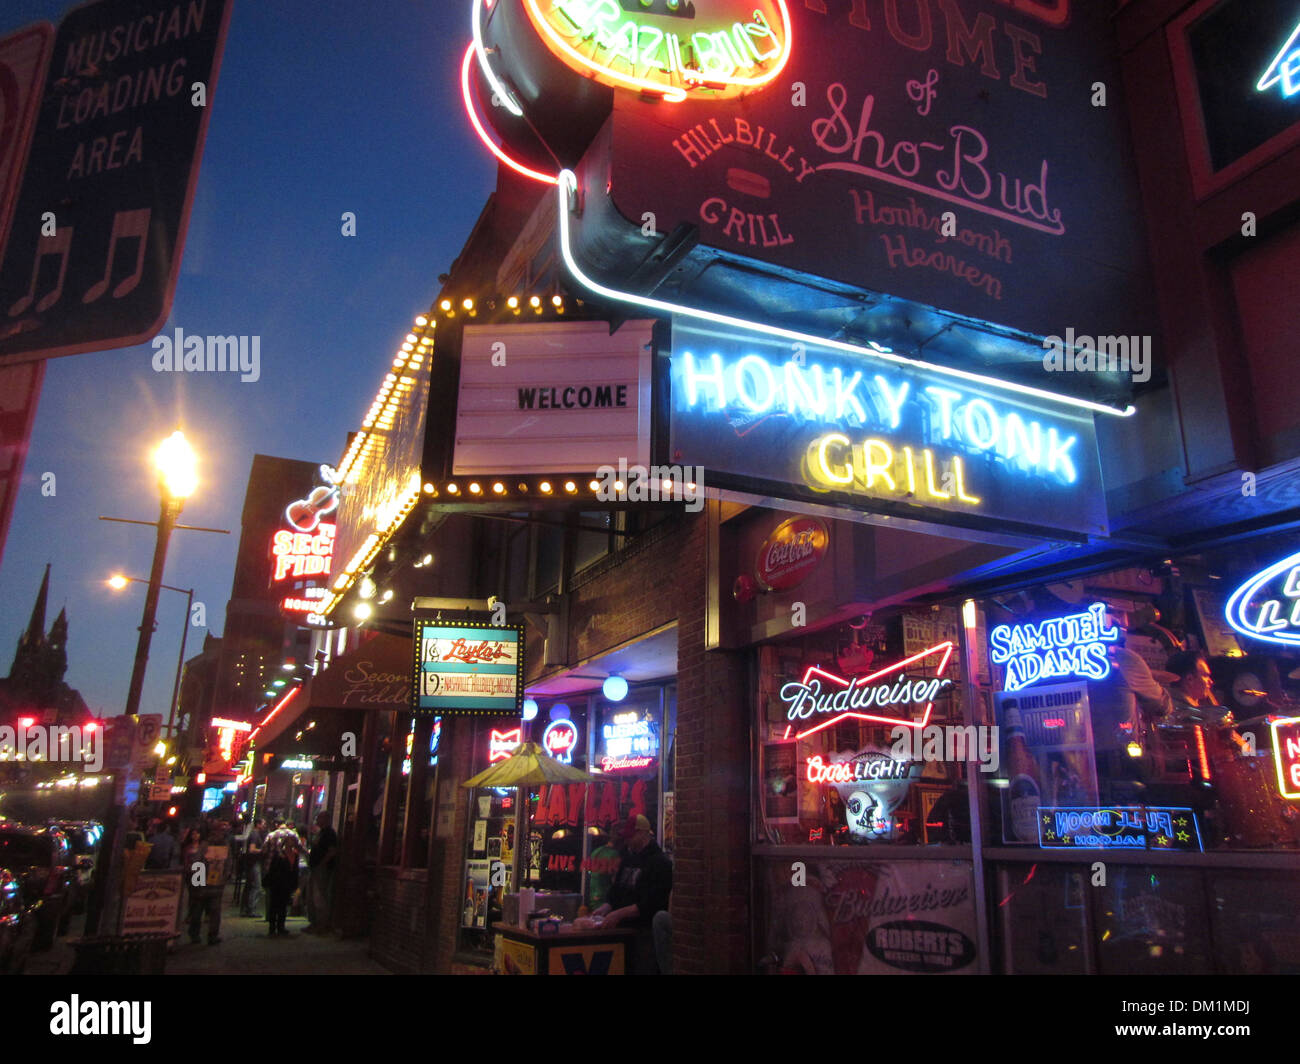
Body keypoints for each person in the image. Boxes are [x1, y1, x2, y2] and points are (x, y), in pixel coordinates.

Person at [597, 814, 672, 974]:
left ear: (642, 834)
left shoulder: (660, 863)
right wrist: (607, 905)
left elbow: (653, 903)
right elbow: (617, 888)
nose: (627, 841)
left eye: (630, 836)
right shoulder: (628, 858)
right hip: (622, 932)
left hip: (644, 934)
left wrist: (619, 914)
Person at [186, 821, 232, 946]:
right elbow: (198, 863)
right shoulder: (209, 846)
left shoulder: (217, 845)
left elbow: (228, 863)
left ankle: (205, 935)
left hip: (211, 884)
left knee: (207, 911)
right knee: (205, 911)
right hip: (208, 884)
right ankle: (203, 935)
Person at [262, 820, 302, 937]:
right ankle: (273, 926)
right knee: (277, 904)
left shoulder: (271, 835)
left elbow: (264, 850)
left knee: (279, 904)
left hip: (282, 880)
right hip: (278, 881)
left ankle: (278, 925)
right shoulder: (282, 855)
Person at [305, 811, 338, 934]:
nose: (317, 820)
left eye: (320, 818)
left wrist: (321, 864)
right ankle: (314, 923)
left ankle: (321, 924)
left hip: (321, 869)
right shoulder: (321, 833)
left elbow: (332, 851)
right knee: (311, 896)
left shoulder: (329, 834)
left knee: (319, 897)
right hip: (315, 868)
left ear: (326, 819)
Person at [240, 818, 267, 917]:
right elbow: (252, 849)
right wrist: (262, 851)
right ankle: (251, 909)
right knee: (257, 886)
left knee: (251, 885)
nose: (265, 825)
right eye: (263, 823)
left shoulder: (254, 834)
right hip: (254, 863)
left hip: (252, 863)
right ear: (258, 824)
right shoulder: (255, 835)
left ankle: (248, 908)